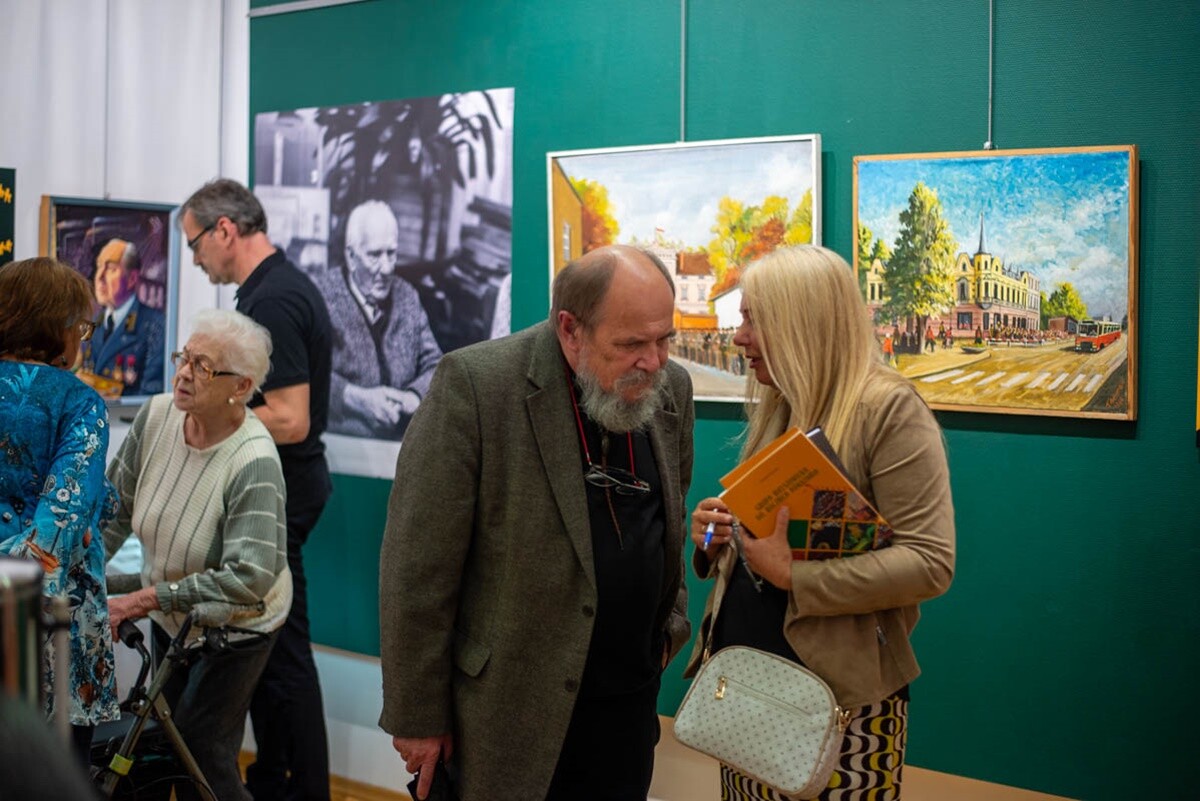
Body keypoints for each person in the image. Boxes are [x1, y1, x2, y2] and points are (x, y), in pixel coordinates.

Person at [379, 245, 694, 801]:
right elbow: (416, 568)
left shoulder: (673, 389)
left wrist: (670, 622)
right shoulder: (477, 386)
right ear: (570, 329)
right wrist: (418, 715)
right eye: (631, 344)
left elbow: (671, 518)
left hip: (626, 708)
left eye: (664, 339)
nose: (655, 361)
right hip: (509, 717)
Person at [688, 246, 955, 801]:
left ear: (798, 321)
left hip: (840, 707)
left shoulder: (889, 410)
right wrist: (719, 538)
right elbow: (787, 534)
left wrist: (795, 578)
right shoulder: (784, 402)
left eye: (751, 318)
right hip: (750, 691)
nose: (738, 338)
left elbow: (929, 563)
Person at [180, 178, 334, 801]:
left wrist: (207, 415)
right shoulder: (271, 288)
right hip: (282, 490)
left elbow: (292, 417)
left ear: (224, 230)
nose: (194, 258)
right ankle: (274, 780)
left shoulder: (271, 299)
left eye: (195, 243)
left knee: (283, 656)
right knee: (267, 652)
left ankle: (301, 789)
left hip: (283, 493)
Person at [103, 309, 291, 801]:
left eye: (203, 367)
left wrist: (142, 599)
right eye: (184, 357)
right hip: (174, 609)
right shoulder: (159, 415)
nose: (184, 373)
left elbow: (249, 577)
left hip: (238, 624)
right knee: (156, 742)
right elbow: (113, 512)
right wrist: (83, 577)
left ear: (241, 386)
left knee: (199, 750)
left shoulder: (253, 461)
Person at [0, 257, 121, 763]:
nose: (84, 338)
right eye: (82, 326)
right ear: (57, 328)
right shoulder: (78, 402)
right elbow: (59, 530)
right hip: (40, 629)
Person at [316, 199, 442, 440]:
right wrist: (356, 399)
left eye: (392, 253)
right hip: (343, 450)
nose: (386, 268)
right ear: (351, 257)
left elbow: (436, 364)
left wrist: (413, 397)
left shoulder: (407, 297)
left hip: (401, 448)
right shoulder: (321, 297)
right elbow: (307, 375)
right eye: (375, 255)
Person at [85, 237, 166, 395]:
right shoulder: (94, 323)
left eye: (110, 269)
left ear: (132, 279)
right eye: (99, 267)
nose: (99, 277)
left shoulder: (154, 325)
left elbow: (150, 395)